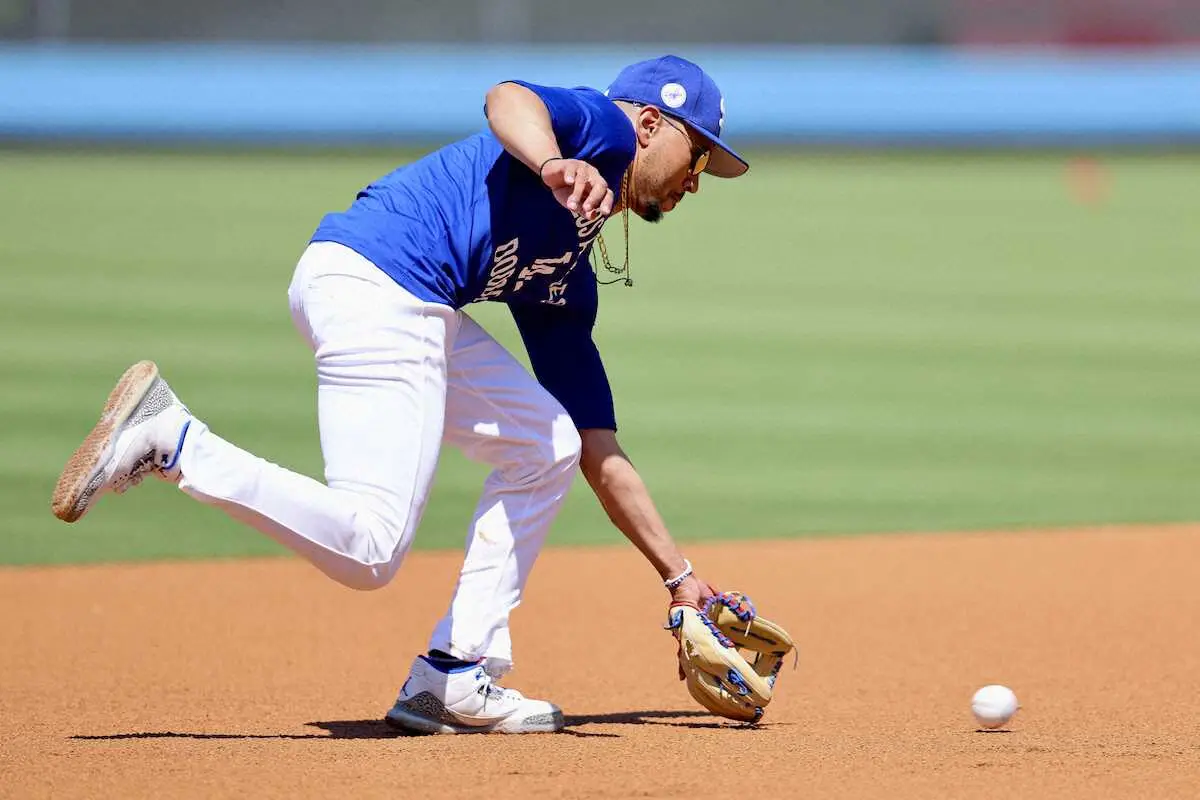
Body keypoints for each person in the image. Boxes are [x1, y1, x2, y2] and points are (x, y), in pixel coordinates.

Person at [50, 54, 750, 735]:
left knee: (550, 441)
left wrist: (679, 578)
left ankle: (453, 672)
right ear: (653, 124)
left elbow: (597, 444)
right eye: (699, 156)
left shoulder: (564, 273)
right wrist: (551, 161)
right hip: (386, 283)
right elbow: (507, 97)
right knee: (370, 550)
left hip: (381, 289)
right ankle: (174, 442)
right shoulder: (604, 127)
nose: (696, 180)